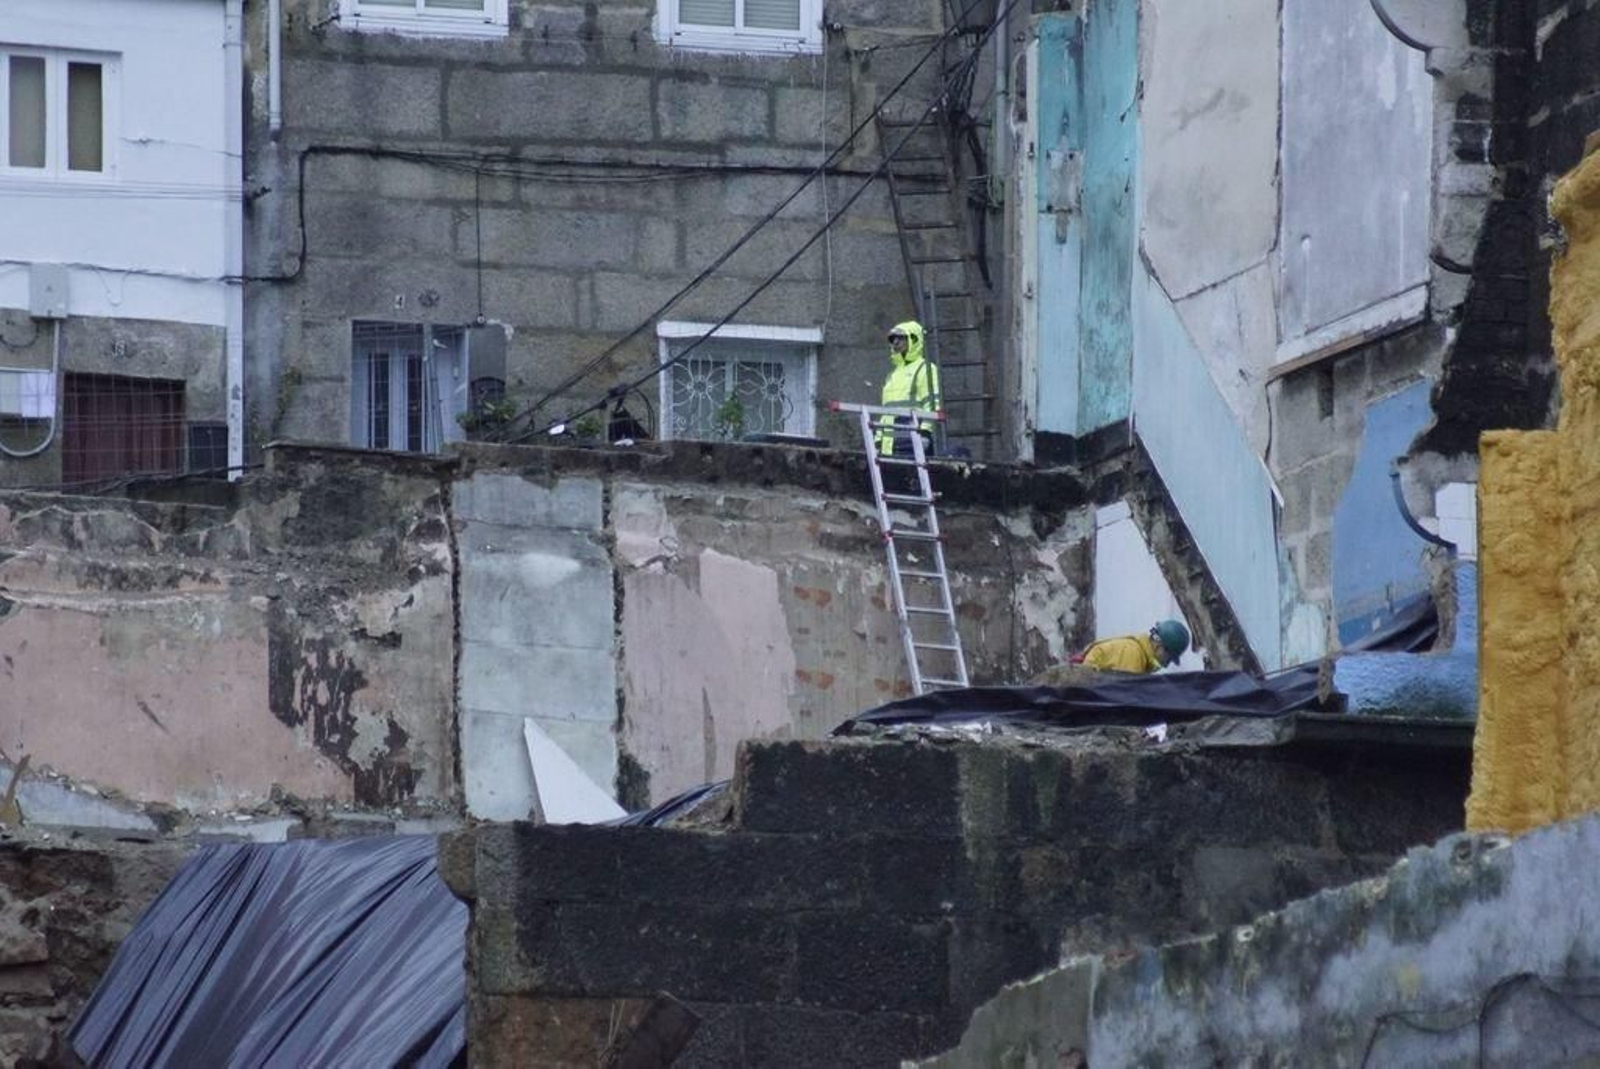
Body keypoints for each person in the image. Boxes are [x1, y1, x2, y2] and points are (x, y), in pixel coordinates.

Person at [874, 321, 941, 457]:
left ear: (914, 339)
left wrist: (925, 433)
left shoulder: (925, 368)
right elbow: (886, 412)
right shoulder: (892, 375)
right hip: (890, 446)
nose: (895, 342)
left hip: (914, 440)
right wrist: (878, 440)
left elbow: (932, 405)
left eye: (901, 338)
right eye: (893, 339)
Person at [1077, 619, 1191, 673]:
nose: (1166, 665)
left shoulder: (1140, 652)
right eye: (1168, 658)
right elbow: (1125, 697)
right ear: (1159, 646)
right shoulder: (1133, 655)